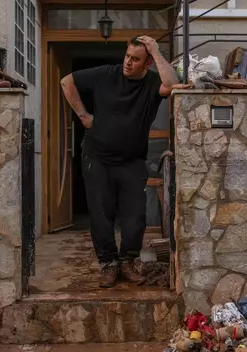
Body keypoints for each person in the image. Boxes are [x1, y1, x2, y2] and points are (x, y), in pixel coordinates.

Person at [60, 36, 181, 288]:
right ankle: (108, 264)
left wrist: (156, 51)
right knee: (101, 213)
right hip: (97, 157)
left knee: (135, 215)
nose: (127, 62)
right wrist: (83, 115)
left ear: (147, 64)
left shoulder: (152, 83)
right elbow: (66, 81)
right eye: (127, 56)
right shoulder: (106, 74)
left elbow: (173, 84)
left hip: (132, 160)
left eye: (135, 59)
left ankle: (128, 261)